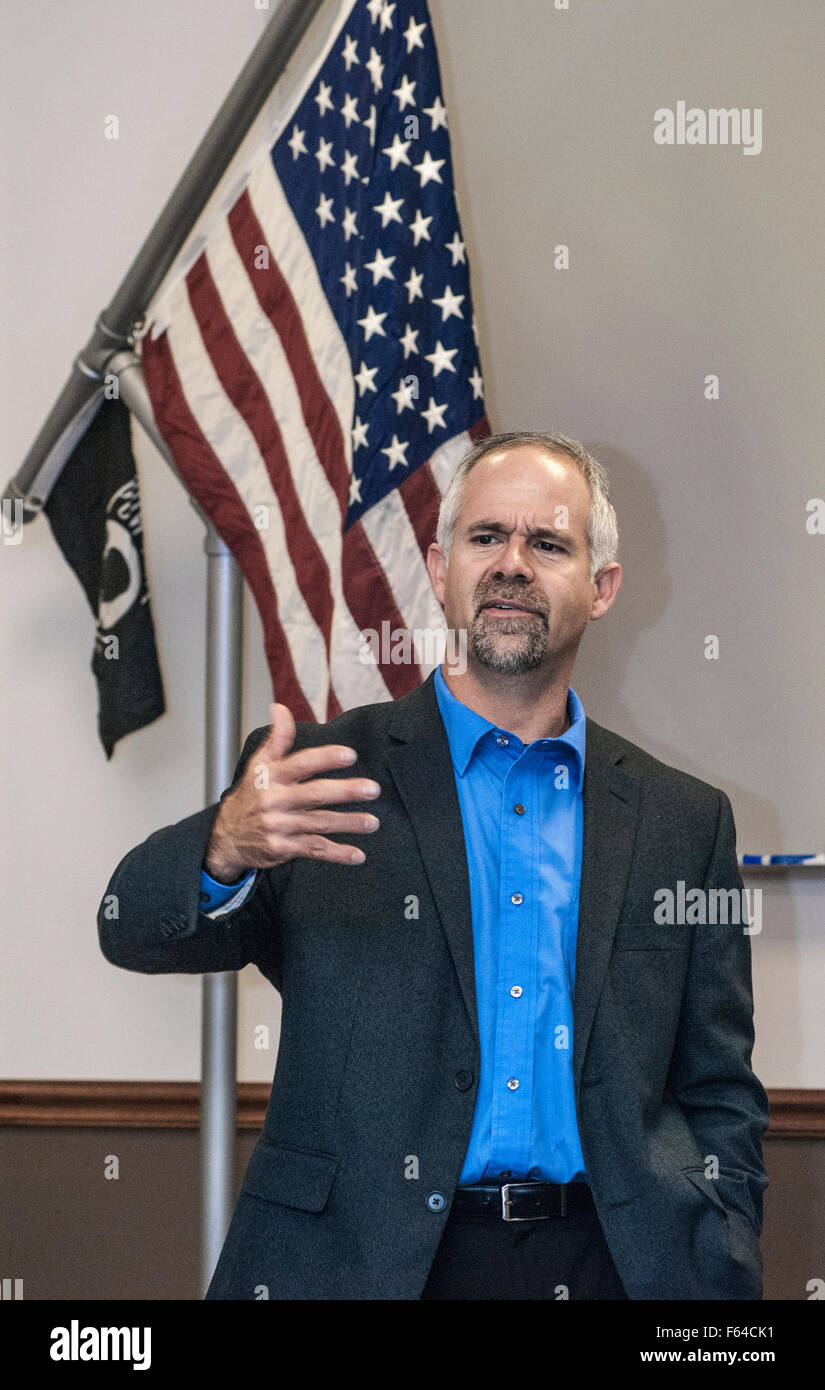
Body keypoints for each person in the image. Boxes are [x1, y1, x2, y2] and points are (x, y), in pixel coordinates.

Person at [98, 430, 769, 1300]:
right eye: (486, 537)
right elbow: (130, 930)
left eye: (548, 542)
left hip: (620, 1265)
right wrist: (222, 847)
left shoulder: (685, 821)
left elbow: (719, 1082)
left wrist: (725, 1240)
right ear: (440, 564)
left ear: (601, 588)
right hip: (359, 1267)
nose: (512, 564)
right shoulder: (323, 777)